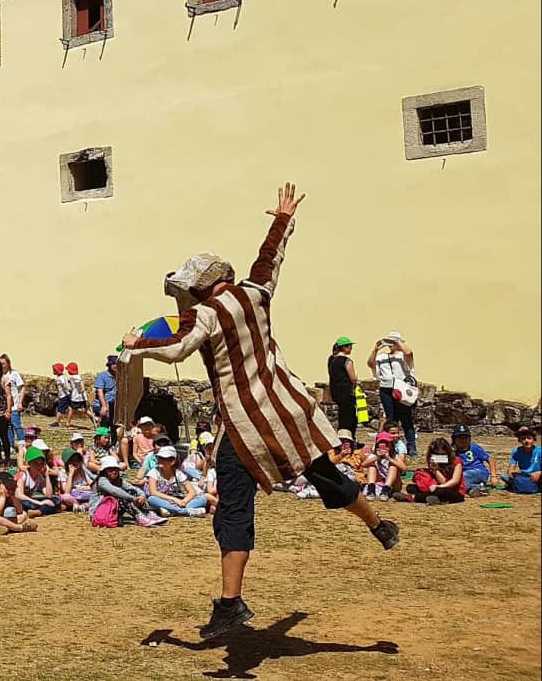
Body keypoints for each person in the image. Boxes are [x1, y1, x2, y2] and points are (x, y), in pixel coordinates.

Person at [121, 183, 398, 641]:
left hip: (247, 426)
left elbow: (177, 347)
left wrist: (137, 346)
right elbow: (269, 259)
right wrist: (283, 219)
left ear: (202, 286)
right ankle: (379, 525)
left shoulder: (207, 314)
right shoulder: (256, 291)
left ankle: (230, 604)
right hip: (291, 412)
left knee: (232, 509)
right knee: (326, 476)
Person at [372, 332, 416, 456]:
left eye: (393, 342)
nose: (391, 344)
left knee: (406, 418)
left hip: (402, 389)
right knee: (391, 419)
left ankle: (411, 446)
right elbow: (371, 364)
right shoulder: (382, 357)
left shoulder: (403, 355)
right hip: (386, 388)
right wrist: (375, 349)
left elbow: (409, 353)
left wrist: (397, 342)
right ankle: (390, 444)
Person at [396, 438, 465, 504]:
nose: (440, 457)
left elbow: (454, 481)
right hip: (436, 486)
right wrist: (434, 470)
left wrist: (438, 486)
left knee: (440, 491)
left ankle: (414, 497)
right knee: (411, 487)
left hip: (454, 490)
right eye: (437, 454)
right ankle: (434, 498)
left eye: (442, 455)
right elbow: (438, 481)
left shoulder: (456, 461)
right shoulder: (432, 459)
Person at [144, 445, 209, 517]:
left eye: (164, 458)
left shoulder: (178, 474)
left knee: (203, 499)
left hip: (178, 501)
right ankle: (185, 511)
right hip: (163, 500)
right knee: (151, 499)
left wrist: (184, 501)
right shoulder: (154, 472)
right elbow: (154, 492)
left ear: (172, 461)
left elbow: (192, 492)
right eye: (159, 458)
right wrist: (174, 499)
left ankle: (172, 511)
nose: (160, 460)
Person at [327, 338, 360, 439]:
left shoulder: (331, 359)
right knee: (350, 418)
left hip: (335, 391)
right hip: (346, 392)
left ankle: (343, 437)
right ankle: (348, 439)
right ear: (345, 347)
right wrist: (357, 378)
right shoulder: (347, 361)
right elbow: (353, 378)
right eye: (350, 346)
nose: (351, 349)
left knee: (342, 416)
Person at [450, 425, 497, 495]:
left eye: (465, 438)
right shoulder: (451, 450)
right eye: (460, 438)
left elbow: (490, 459)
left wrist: (493, 476)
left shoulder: (474, 447)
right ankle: (475, 488)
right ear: (454, 439)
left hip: (479, 471)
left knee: (461, 478)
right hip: (462, 473)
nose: (463, 440)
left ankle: (477, 488)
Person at [363, 436, 406, 501]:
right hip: (379, 481)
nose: (384, 449)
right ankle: (371, 490)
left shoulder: (395, 456)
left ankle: (385, 491)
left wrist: (389, 458)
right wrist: (377, 458)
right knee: (372, 466)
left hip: (393, 484)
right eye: (381, 446)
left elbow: (404, 468)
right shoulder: (374, 456)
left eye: (386, 446)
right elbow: (363, 464)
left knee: (393, 467)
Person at [505, 427, 540, 494]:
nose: (526, 441)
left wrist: (539, 472)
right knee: (504, 476)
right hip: (525, 475)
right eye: (523, 439)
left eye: (529, 438)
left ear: (534, 439)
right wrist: (511, 471)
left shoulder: (539, 451)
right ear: (520, 440)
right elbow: (511, 467)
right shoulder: (516, 451)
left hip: (537, 476)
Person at [94, 356, 118, 432]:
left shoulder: (120, 376)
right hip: (102, 404)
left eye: (117, 364)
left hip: (114, 404)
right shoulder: (102, 376)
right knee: (108, 416)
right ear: (109, 365)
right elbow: (100, 392)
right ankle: (103, 434)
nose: (116, 366)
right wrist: (104, 406)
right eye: (114, 364)